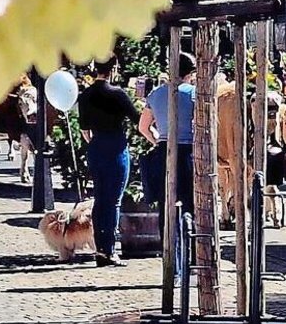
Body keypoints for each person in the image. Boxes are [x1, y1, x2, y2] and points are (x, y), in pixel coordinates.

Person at [77, 56, 140, 267]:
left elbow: (84, 129)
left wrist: (95, 142)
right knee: (114, 200)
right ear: (113, 69)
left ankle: (100, 249)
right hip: (115, 146)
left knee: (100, 198)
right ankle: (110, 250)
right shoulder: (118, 94)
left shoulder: (86, 95)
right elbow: (137, 119)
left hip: (96, 147)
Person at [139, 52, 197, 226]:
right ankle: (190, 240)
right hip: (188, 152)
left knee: (165, 203)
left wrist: (157, 140)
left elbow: (143, 127)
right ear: (190, 73)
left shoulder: (155, 94)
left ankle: (166, 239)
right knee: (189, 203)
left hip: (163, 152)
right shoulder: (194, 93)